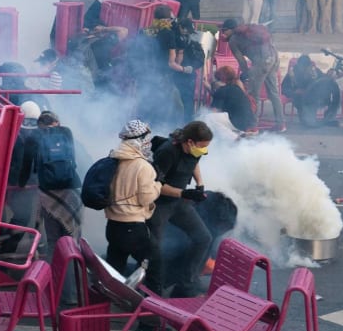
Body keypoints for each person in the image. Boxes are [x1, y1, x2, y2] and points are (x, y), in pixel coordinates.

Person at [21, 111, 82, 304]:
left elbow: (26, 166)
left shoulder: (34, 136)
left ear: (39, 124)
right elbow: (73, 161)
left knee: (55, 243)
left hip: (48, 194)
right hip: (71, 192)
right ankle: (76, 293)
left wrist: (21, 184)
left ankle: (57, 290)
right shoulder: (66, 132)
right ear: (57, 121)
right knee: (73, 242)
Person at [148, 121, 213, 298]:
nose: (204, 151)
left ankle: (187, 283)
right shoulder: (167, 152)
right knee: (155, 248)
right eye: (202, 146)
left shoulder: (194, 151)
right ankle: (151, 291)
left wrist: (200, 184)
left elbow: (194, 162)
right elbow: (155, 185)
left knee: (203, 238)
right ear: (190, 142)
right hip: (160, 204)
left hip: (180, 203)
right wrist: (184, 193)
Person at [104, 120, 162, 295]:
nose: (148, 143)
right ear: (139, 140)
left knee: (114, 272)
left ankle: (106, 306)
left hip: (112, 226)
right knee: (155, 266)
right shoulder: (143, 166)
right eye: (146, 139)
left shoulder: (113, 159)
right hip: (133, 227)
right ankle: (151, 311)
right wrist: (158, 185)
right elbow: (146, 198)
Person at [220, 18, 286, 132]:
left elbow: (241, 61)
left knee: (253, 95)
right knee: (274, 93)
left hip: (261, 62)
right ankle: (281, 124)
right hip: (273, 58)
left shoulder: (233, 40)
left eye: (224, 30)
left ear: (231, 29)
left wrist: (246, 73)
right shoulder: (248, 31)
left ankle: (252, 125)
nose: (223, 33)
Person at [0, 101, 43, 256]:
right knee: (14, 219)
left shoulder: (17, 134)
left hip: (22, 186)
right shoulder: (12, 136)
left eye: (32, 123)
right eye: (27, 122)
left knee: (21, 219)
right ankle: (2, 251)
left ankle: (4, 250)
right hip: (12, 185)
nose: (29, 127)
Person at [281, 55, 341, 128]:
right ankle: (311, 119)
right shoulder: (292, 73)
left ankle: (329, 117)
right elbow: (284, 89)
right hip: (301, 100)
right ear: (299, 65)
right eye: (302, 67)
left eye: (306, 67)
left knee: (332, 93)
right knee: (308, 123)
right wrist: (294, 92)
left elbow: (324, 80)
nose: (304, 69)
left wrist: (329, 76)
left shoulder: (315, 71)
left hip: (316, 98)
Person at [210, 65, 258, 132]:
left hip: (238, 126)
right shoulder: (237, 88)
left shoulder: (221, 91)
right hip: (250, 123)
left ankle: (234, 136)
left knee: (209, 118)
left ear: (221, 80)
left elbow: (214, 111)